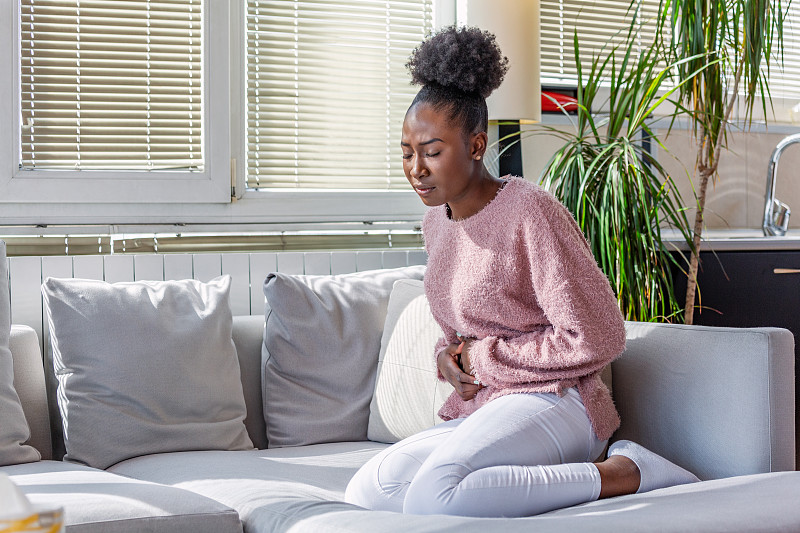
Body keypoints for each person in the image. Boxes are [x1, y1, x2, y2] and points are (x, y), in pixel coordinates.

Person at [344, 25, 699, 518]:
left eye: (432, 151)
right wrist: (447, 359)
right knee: (369, 490)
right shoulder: (436, 222)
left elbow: (598, 336)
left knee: (433, 496)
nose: (416, 168)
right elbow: (464, 335)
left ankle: (627, 472)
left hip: (559, 402)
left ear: (475, 146)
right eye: (407, 152)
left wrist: (482, 360)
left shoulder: (531, 211)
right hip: (490, 406)